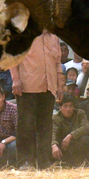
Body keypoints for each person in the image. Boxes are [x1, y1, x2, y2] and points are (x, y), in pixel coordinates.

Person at [10, 32, 62, 169]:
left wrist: (60, 86)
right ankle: (25, 162)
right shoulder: (24, 34)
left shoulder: (54, 37)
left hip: (49, 87)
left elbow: (58, 64)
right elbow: (12, 57)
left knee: (46, 126)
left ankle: (44, 162)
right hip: (27, 86)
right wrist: (15, 79)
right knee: (26, 125)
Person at [51, 95, 89, 166]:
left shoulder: (80, 114)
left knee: (85, 139)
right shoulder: (56, 118)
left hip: (77, 143)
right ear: (60, 108)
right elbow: (53, 133)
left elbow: (86, 127)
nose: (68, 109)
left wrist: (71, 135)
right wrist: (54, 145)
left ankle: (88, 164)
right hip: (64, 146)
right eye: (65, 106)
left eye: (70, 106)